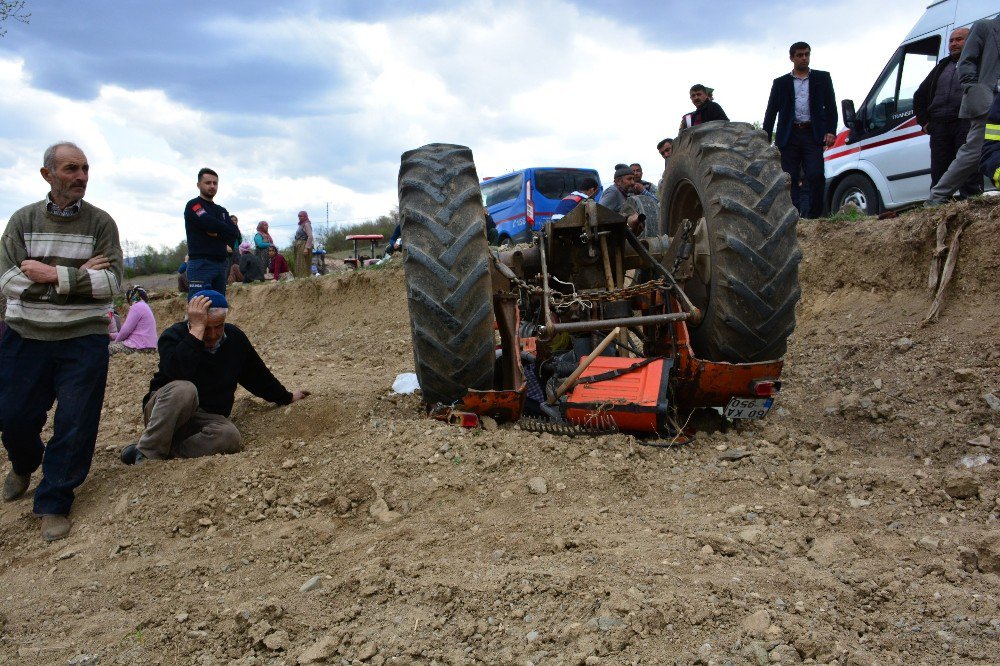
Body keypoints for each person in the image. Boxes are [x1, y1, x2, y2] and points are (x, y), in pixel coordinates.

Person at [0, 141, 123, 541]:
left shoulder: (101, 224)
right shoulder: (21, 221)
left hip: (82, 338)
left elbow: (112, 284)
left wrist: (53, 277)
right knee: (12, 416)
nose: (82, 177)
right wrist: (77, 278)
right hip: (25, 335)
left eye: (85, 169)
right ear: (47, 174)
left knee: (75, 422)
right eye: (71, 169)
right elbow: (8, 282)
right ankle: (25, 460)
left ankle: (54, 499)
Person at [119, 292, 309, 464]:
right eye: (206, 327)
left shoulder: (234, 338)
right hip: (166, 411)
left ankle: (168, 451)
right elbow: (176, 373)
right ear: (191, 321)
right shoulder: (173, 336)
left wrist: (286, 397)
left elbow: (256, 374)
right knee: (185, 389)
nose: (212, 335)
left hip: (206, 418)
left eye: (218, 326)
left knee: (230, 437)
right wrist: (196, 332)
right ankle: (148, 454)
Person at [926, 15, 1000, 206]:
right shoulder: (985, 27)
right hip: (988, 102)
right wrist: (974, 90)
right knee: (973, 153)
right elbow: (966, 62)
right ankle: (937, 197)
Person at [763, 41, 838, 218]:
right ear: (792, 58)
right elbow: (771, 111)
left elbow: (831, 107)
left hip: (813, 134)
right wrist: (764, 140)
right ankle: (794, 216)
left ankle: (813, 216)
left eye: (807, 54)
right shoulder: (780, 83)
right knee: (790, 177)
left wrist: (831, 131)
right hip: (789, 136)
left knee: (816, 174)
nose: (804, 58)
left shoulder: (822, 78)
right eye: (800, 55)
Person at [915, 28, 980, 196]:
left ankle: (972, 207)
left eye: (959, 39)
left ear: (970, 41)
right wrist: (924, 122)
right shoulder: (941, 67)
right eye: (951, 40)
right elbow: (919, 95)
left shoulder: (978, 63)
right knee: (939, 173)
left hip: (965, 123)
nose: (954, 43)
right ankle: (936, 209)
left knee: (968, 171)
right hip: (939, 127)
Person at [184, 168, 239, 299]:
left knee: (218, 309)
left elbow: (234, 232)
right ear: (198, 185)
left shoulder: (222, 211)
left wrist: (217, 233)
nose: (212, 186)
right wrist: (223, 229)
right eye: (208, 182)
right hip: (201, 264)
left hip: (221, 264)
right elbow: (208, 223)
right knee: (199, 308)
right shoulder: (194, 205)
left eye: (215, 183)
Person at [109, 286, 157, 355]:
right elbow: (132, 333)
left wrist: (115, 342)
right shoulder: (145, 306)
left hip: (139, 347)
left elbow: (125, 331)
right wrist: (112, 335)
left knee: (106, 349)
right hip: (151, 346)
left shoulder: (136, 307)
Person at [292, 211, 315, 278]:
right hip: (299, 245)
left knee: (303, 263)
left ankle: (304, 277)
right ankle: (299, 277)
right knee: (299, 263)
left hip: (303, 245)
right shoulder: (301, 225)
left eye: (301, 216)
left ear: (305, 216)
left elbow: (310, 236)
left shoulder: (306, 224)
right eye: (298, 216)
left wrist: (306, 248)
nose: (299, 217)